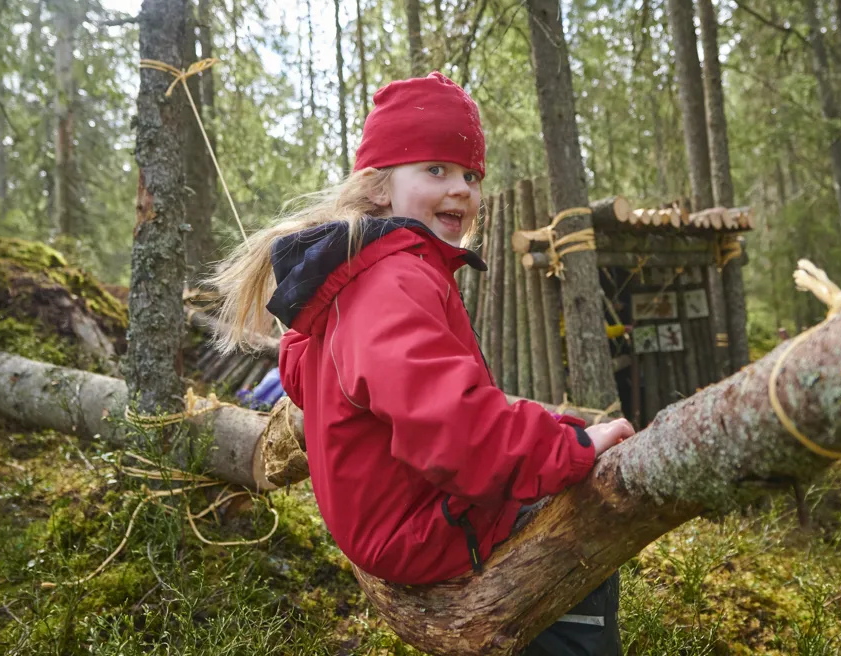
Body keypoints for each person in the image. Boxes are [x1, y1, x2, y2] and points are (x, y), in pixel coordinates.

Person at [209, 72, 635, 655]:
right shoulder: (394, 278)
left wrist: (550, 430)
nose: (460, 188)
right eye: (435, 170)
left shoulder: (361, 272)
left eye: (470, 175)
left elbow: (341, 384)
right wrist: (573, 449)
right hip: (419, 526)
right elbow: (452, 427)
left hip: (389, 519)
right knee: (578, 539)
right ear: (380, 187)